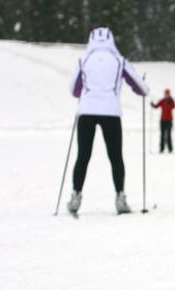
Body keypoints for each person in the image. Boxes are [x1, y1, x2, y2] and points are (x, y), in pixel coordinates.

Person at [67, 27, 149, 216]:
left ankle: (76, 195)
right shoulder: (119, 60)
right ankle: (120, 196)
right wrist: (144, 87)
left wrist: (87, 92)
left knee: (83, 155)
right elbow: (140, 87)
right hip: (110, 112)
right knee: (115, 156)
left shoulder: (84, 59)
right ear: (111, 40)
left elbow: (73, 89)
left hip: (86, 112)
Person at [151, 89, 175, 153]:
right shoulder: (162, 101)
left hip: (169, 120)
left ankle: (170, 149)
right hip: (162, 120)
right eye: (165, 93)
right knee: (162, 135)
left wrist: (170, 101)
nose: (166, 95)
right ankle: (161, 149)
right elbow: (156, 106)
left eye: (167, 94)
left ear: (169, 94)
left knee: (168, 135)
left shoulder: (171, 100)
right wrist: (153, 105)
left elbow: (174, 106)